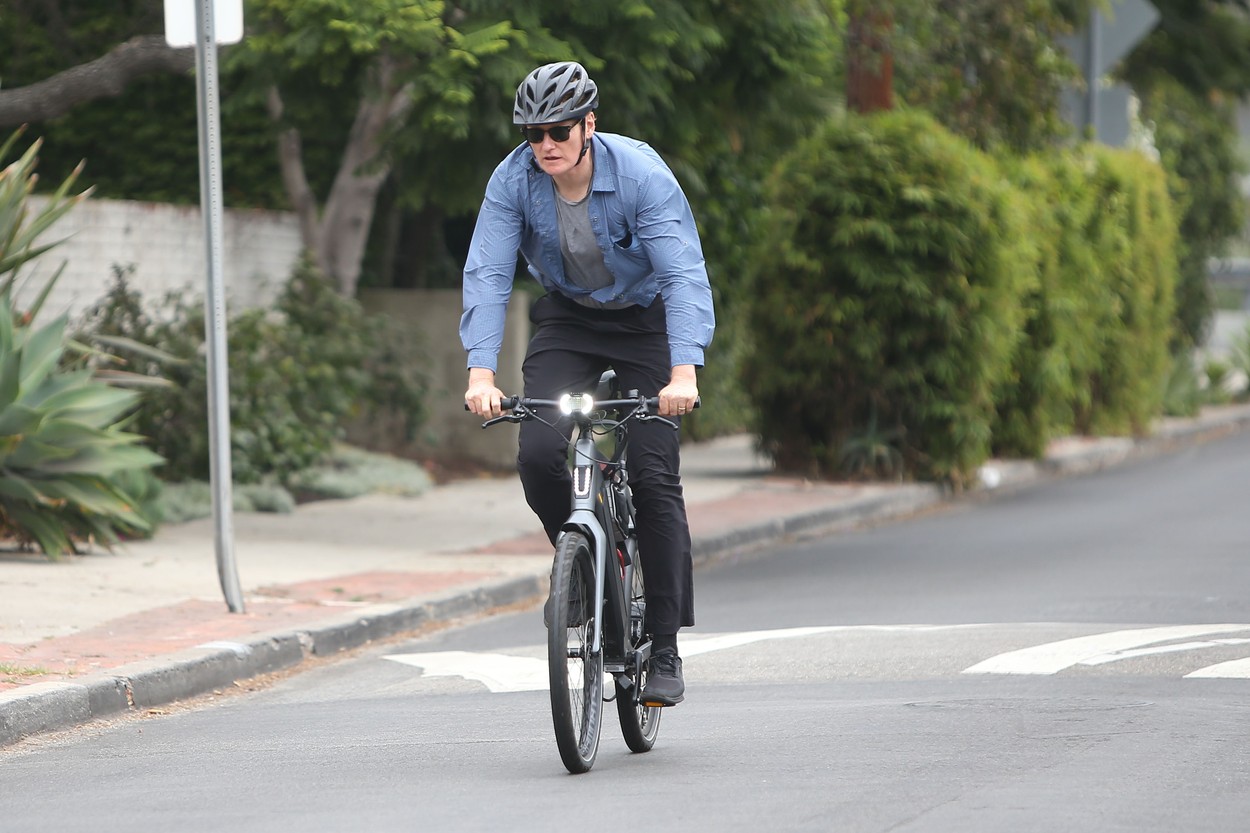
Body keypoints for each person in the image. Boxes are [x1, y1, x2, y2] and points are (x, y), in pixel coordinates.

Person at [461, 61, 715, 706]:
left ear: (588, 126)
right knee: (539, 453)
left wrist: (682, 370)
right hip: (570, 319)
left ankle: (662, 647)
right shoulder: (513, 179)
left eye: (558, 131)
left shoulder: (641, 175)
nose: (545, 145)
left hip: (645, 323)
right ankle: (585, 571)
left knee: (655, 476)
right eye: (532, 134)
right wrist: (481, 371)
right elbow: (489, 271)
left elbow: (683, 272)